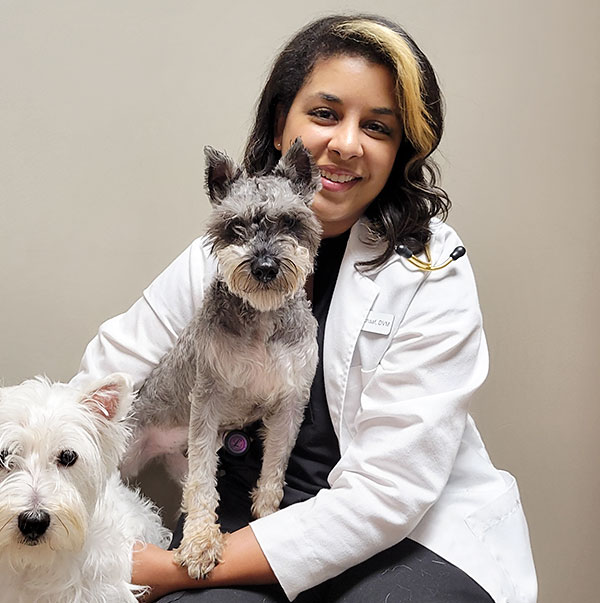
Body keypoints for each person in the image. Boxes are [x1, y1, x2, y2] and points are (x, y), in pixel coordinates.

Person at [70, 14, 537, 603]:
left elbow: (387, 496)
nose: (346, 143)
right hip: (247, 530)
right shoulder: (217, 258)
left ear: (399, 152)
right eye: (324, 114)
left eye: (378, 127)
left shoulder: (430, 267)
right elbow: (102, 387)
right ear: (278, 129)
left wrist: (165, 571)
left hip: (408, 541)